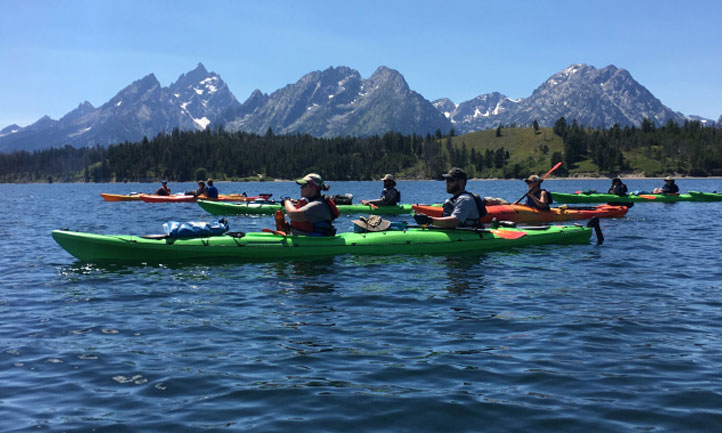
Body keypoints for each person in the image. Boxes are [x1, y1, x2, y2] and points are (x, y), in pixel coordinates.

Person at [416, 167, 485, 228]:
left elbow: (454, 221)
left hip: (468, 235)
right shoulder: (454, 200)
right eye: (446, 180)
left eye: (450, 180)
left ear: (461, 182)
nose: (447, 183)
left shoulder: (466, 200)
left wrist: (429, 220)